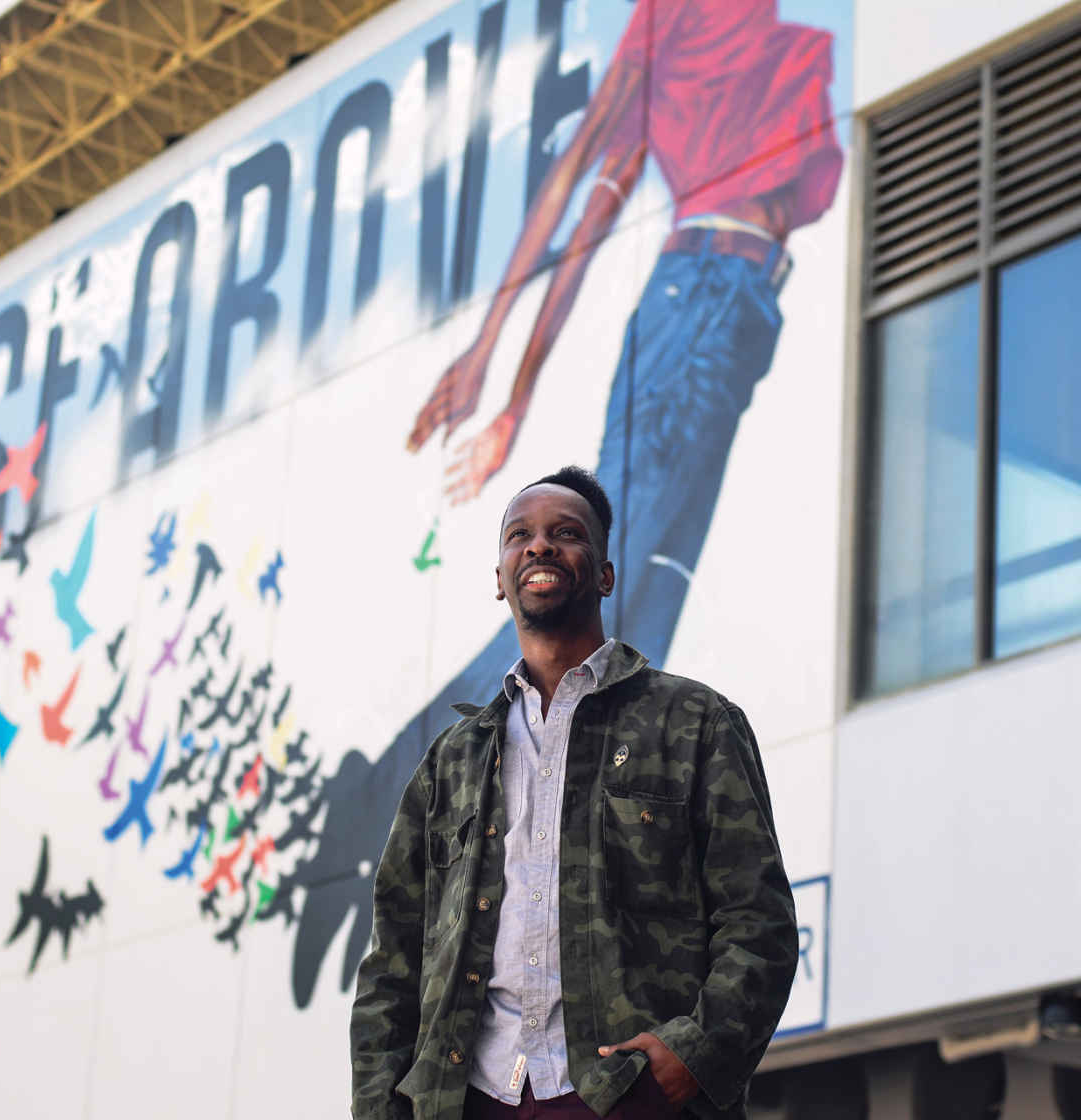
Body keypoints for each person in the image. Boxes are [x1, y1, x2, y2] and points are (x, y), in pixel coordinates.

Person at [292, 0, 841, 1014]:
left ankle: (586, 897)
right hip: (701, 302)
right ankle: (391, 791)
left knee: (644, 632)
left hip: (735, 315)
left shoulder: (763, 26)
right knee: (595, 629)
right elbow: (581, 192)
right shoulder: (673, 17)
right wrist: (502, 369)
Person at [350, 466, 798, 1119]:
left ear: (605, 574)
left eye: (566, 533)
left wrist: (690, 1061)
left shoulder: (694, 722)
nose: (539, 546)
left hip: (628, 1094)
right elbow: (393, 963)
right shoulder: (450, 763)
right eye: (519, 536)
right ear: (499, 579)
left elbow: (758, 920)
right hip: (472, 1097)